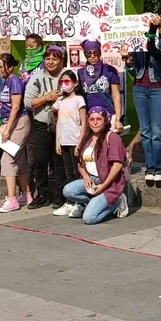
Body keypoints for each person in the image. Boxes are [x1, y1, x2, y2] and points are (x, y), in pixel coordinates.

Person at [58, 105, 129, 224]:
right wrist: (85, 176)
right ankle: (90, 202)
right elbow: (80, 164)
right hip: (92, 180)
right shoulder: (87, 138)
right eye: (92, 119)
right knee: (68, 190)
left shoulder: (112, 137)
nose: (95, 123)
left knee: (89, 218)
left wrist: (103, 186)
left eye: (99, 119)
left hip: (108, 183)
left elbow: (117, 165)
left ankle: (116, 201)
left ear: (105, 120)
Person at [124, 16, 161, 185]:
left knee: (157, 131)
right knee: (145, 131)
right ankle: (149, 168)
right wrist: (127, 61)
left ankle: (160, 167)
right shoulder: (136, 44)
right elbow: (133, 71)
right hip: (140, 88)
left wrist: (152, 48)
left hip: (158, 88)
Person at [25, 45, 66, 209]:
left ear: (61, 60)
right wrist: (46, 98)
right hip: (41, 124)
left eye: (54, 58)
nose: (50, 62)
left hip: (63, 125)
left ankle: (60, 194)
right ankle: (42, 194)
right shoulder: (36, 77)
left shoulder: (68, 75)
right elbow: (28, 102)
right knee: (40, 160)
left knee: (59, 161)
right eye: (47, 58)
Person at [0, 52, 31, 212]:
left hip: (18, 122)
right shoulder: (4, 81)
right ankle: (27, 193)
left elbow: (15, 107)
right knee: (19, 159)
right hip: (8, 121)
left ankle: (12, 198)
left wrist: (7, 129)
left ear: (10, 67)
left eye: (1, 66)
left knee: (7, 160)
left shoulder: (15, 81)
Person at [51, 69, 87, 214]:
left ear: (75, 83)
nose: (64, 84)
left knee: (76, 170)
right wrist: (57, 141)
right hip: (64, 140)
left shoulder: (79, 100)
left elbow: (84, 123)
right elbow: (58, 121)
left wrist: (80, 142)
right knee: (67, 171)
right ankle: (70, 201)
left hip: (75, 140)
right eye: (62, 82)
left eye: (67, 81)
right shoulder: (61, 101)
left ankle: (79, 201)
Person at [78, 39, 123, 131]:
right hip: (89, 116)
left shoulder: (109, 70)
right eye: (89, 53)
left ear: (100, 53)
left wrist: (118, 119)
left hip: (108, 114)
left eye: (95, 52)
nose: (93, 56)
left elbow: (116, 96)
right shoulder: (80, 72)